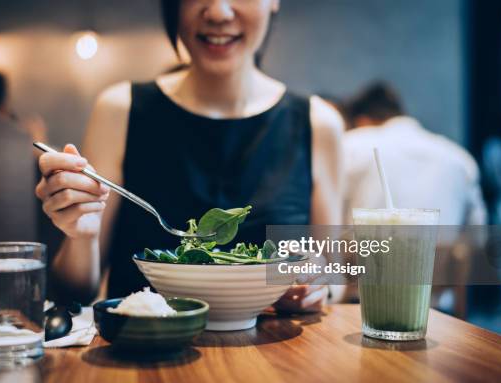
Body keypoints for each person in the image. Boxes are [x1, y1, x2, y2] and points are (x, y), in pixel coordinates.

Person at [35, 0, 345, 311]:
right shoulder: (120, 109)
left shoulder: (318, 122)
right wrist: (81, 234)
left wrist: (317, 285)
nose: (219, 13)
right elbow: (74, 293)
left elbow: (333, 277)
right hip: (145, 352)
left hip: (276, 355)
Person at [342, 81, 487, 226]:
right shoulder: (461, 158)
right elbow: (476, 234)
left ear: (362, 121)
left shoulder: (351, 145)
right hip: (439, 248)